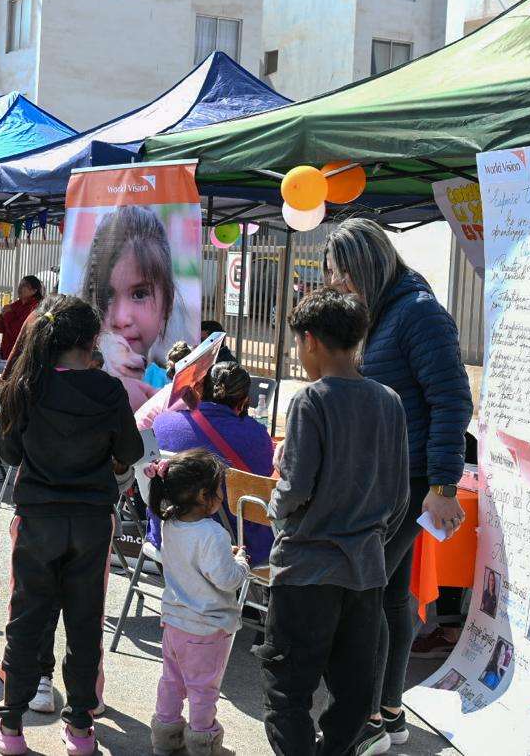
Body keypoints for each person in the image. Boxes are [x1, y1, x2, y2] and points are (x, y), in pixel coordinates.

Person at [324, 218, 472, 748]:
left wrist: (443, 484)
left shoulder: (418, 313)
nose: (338, 286)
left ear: (367, 265)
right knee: (389, 598)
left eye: (343, 275)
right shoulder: (383, 312)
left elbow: (452, 401)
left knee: (365, 595)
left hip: (408, 484)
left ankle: (366, 720)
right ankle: (389, 713)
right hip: (385, 480)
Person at [0, 294, 142, 756]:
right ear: (91, 341)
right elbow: (130, 452)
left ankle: (11, 727)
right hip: (92, 522)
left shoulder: (26, 386)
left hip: (39, 521)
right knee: (84, 623)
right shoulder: (110, 390)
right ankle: (79, 730)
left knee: (27, 620)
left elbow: (9, 453)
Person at [257, 287, 409, 756]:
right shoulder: (389, 401)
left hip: (306, 571)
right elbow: (400, 493)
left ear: (310, 341)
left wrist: (273, 509)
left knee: (288, 692)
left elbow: (295, 486)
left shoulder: (311, 401)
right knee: (353, 692)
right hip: (364, 573)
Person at [147, 449, 250, 756]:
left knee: (172, 681)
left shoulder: (170, 522)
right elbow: (227, 579)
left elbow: (191, 561)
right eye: (220, 489)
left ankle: (165, 738)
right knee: (203, 689)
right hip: (207, 627)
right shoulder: (213, 533)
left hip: (174, 622)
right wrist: (242, 562)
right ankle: (203, 742)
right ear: (205, 495)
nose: (223, 494)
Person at [150, 360, 275, 565]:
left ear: (201, 388)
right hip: (234, 545)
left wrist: (195, 407)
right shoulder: (256, 435)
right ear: (244, 401)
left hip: (168, 534)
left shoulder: (162, 423)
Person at [80, 205, 180, 410]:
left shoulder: (172, 391)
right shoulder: (75, 381)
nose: (121, 318)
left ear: (167, 304)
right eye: (107, 295)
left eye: (140, 294)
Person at [0, 275, 44, 359]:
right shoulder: (17, 304)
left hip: (20, 358)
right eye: (20, 284)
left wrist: (7, 314)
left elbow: (17, 332)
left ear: (34, 291)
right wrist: (3, 315)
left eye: (25, 285)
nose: (20, 287)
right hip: (6, 354)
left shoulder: (35, 308)